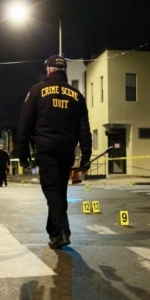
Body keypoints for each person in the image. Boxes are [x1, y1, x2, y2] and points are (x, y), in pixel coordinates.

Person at [18, 55, 92, 249]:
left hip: (46, 148)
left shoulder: (37, 90)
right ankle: (54, 232)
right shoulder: (77, 95)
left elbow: (25, 123)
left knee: (52, 190)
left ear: (49, 70)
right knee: (59, 191)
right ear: (64, 70)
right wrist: (86, 156)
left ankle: (62, 231)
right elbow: (84, 129)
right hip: (67, 150)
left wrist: (23, 150)